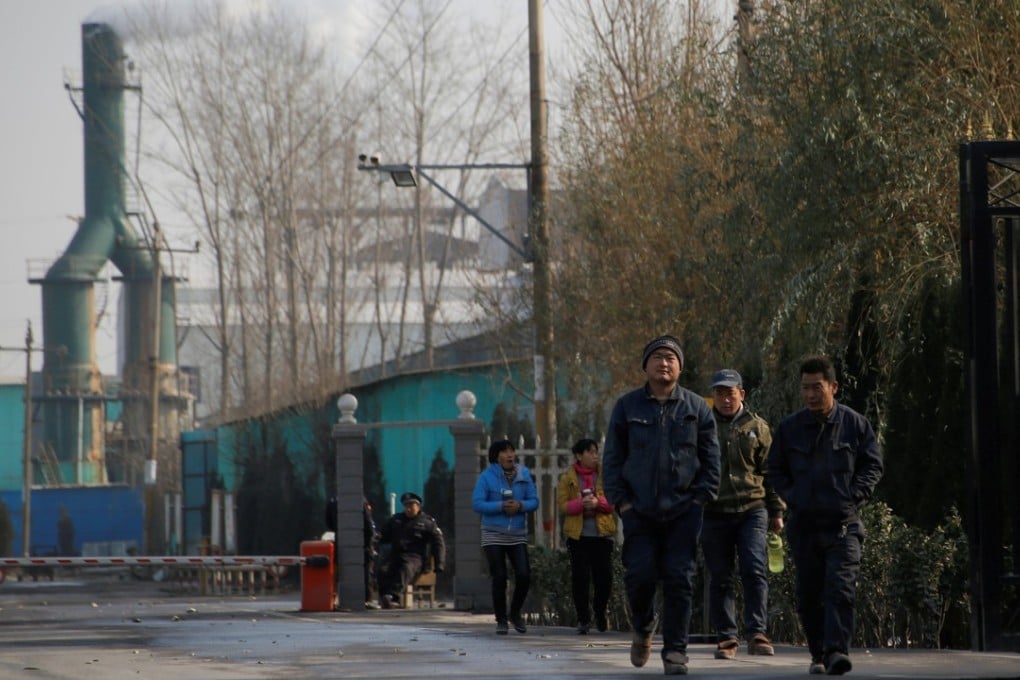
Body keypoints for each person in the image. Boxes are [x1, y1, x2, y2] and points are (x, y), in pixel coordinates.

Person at [602, 334, 721, 675]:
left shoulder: (698, 408)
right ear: (646, 365)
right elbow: (612, 460)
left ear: (680, 367)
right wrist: (621, 502)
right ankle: (643, 625)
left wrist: (700, 498)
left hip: (684, 512)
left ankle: (675, 652)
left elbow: (711, 459)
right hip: (638, 511)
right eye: (657, 357)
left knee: (679, 580)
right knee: (639, 576)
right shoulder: (627, 407)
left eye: (671, 358)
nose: (664, 363)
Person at [768, 355, 884, 676]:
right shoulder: (790, 428)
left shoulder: (855, 425)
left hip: (843, 526)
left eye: (816, 387)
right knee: (809, 595)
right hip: (804, 526)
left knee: (840, 589)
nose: (810, 395)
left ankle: (836, 652)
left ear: (833, 386)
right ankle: (818, 652)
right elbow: (775, 470)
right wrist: (793, 497)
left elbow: (872, 465)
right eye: (805, 388)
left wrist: (853, 495)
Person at [701, 368, 786, 660]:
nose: (725, 398)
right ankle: (727, 637)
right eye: (720, 393)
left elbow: (770, 472)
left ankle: (757, 633)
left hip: (753, 509)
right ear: (714, 396)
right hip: (714, 511)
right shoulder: (703, 426)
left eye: (730, 392)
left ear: (742, 394)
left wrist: (776, 510)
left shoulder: (758, 427)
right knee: (720, 576)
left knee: (754, 568)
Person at [471, 439, 539, 635]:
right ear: (496, 456)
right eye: (504, 451)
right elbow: (477, 504)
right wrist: (500, 506)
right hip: (493, 533)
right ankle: (501, 619)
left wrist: (521, 506)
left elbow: (534, 500)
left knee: (524, 574)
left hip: (517, 533)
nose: (510, 455)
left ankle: (515, 612)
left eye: (511, 451)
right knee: (499, 576)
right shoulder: (487, 477)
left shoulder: (523, 474)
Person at [556, 438, 617, 634]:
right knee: (580, 579)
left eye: (596, 452)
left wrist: (598, 503)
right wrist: (579, 504)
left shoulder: (604, 476)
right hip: (578, 536)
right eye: (590, 452)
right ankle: (583, 618)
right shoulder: (568, 478)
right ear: (579, 456)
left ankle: (600, 610)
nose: (594, 455)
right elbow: (563, 506)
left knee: (604, 578)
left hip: (601, 535)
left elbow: (614, 501)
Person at [376, 491, 446, 609]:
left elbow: (438, 543)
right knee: (383, 570)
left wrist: (440, 563)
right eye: (406, 506)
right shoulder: (396, 520)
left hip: (415, 557)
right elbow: (383, 536)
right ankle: (385, 597)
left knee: (406, 568)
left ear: (418, 506)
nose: (408, 509)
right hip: (396, 555)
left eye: (411, 506)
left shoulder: (427, 522)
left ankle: (394, 597)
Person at [325, 495, 381, 609]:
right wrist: (371, 544)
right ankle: (367, 599)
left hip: (342, 540)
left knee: (340, 570)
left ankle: (334, 599)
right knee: (366, 569)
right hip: (361, 542)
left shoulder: (333, 502)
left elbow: (329, 523)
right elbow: (368, 523)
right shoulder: (360, 500)